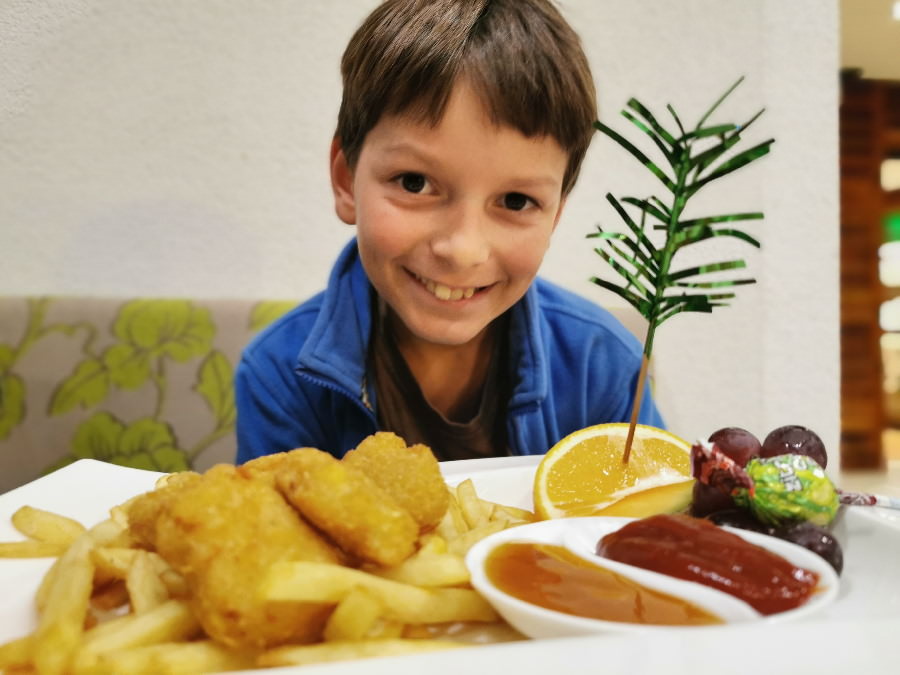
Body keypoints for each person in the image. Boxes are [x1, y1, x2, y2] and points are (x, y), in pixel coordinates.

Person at [235, 0, 664, 464]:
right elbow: (273, 532)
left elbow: (648, 521)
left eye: (516, 201)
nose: (463, 250)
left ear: (555, 214)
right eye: (415, 183)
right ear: (346, 181)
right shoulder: (278, 372)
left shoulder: (600, 365)